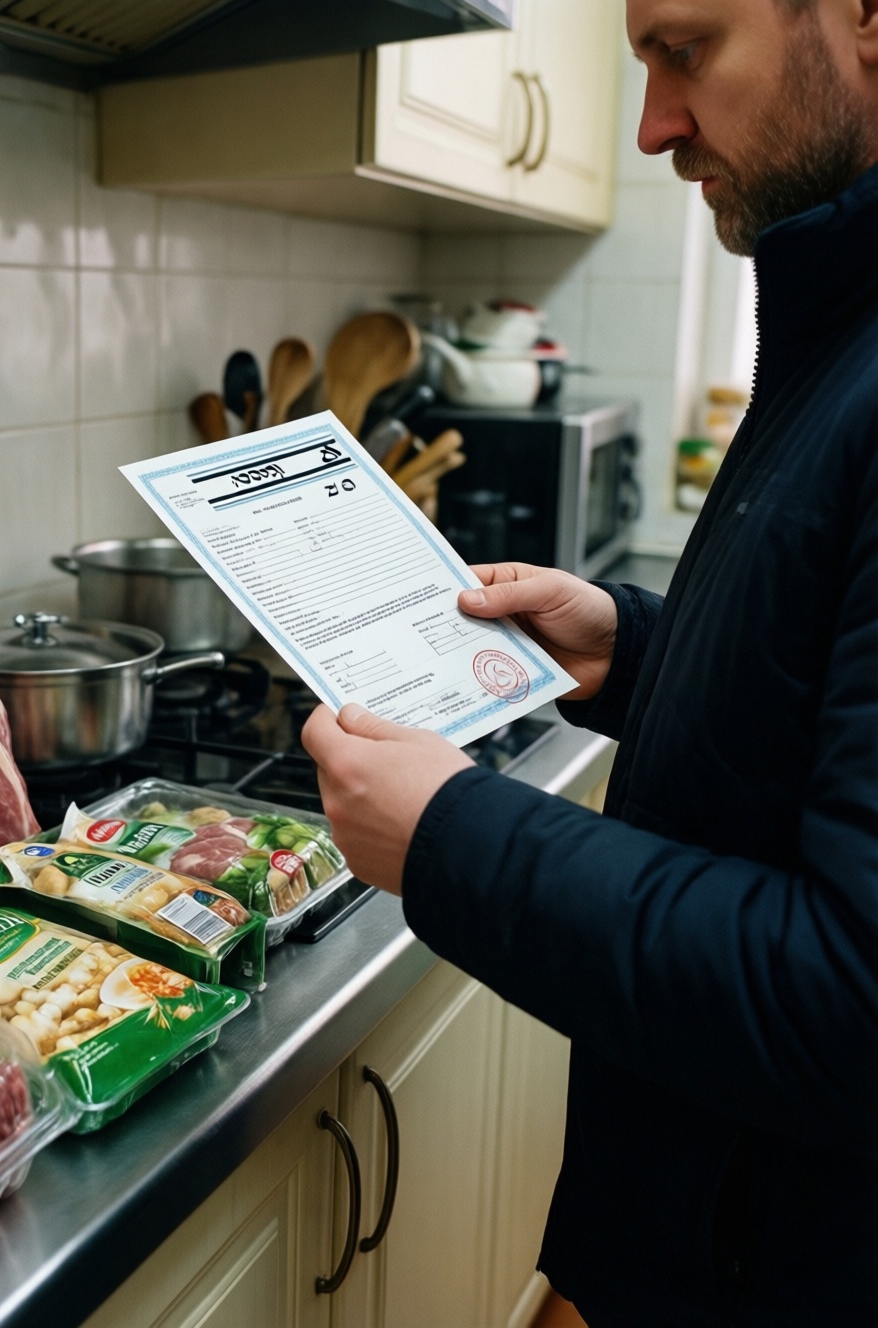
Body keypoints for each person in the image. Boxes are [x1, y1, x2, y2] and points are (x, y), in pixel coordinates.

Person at [300, 1, 878, 1324]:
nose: (653, 126)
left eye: (686, 50)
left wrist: (449, 833)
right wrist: (635, 648)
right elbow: (818, 702)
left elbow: (852, 995)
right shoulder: (836, 313)